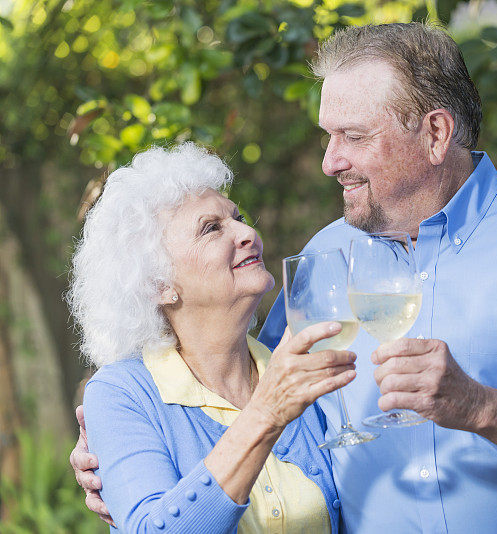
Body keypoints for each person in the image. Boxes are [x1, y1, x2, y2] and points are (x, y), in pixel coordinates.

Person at [72, 23, 497, 532]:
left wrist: (481, 407)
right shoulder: (323, 260)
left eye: (353, 137)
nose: (330, 160)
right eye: (327, 136)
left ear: (435, 133)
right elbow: (238, 385)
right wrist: (117, 454)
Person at [68, 142, 356, 533]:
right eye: (212, 228)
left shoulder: (295, 365)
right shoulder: (122, 394)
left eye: (237, 218)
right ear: (159, 284)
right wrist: (267, 413)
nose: (247, 233)